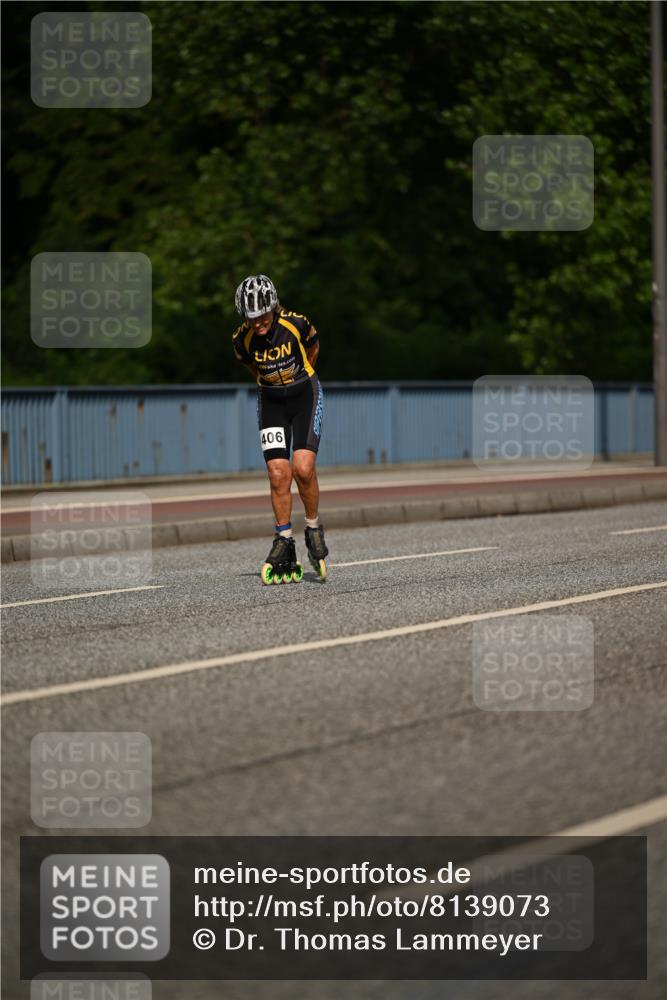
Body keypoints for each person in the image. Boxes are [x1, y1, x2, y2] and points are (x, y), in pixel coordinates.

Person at [232, 274, 329, 583]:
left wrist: (297, 379)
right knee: (277, 472)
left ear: (273, 306)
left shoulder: (297, 324)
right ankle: (284, 538)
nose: (258, 322)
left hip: (304, 395)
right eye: (251, 318)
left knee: (302, 468)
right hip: (271, 400)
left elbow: (312, 352)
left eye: (262, 315)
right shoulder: (241, 341)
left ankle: (312, 527)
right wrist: (275, 383)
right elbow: (252, 367)